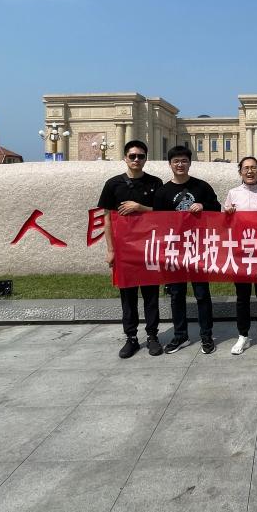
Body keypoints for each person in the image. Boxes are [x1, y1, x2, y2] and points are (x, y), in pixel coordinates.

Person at [97, 139, 164, 359]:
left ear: (146, 159)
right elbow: (107, 219)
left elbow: (163, 214)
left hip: (149, 247)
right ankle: (131, 337)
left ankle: (152, 336)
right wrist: (111, 250)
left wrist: (140, 207)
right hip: (124, 250)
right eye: (132, 156)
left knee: (151, 294)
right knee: (127, 295)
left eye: (141, 156)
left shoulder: (155, 183)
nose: (136, 159)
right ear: (125, 158)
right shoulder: (113, 184)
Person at [153, 145, 220, 355]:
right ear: (170, 164)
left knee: (202, 294)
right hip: (174, 249)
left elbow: (217, 208)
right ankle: (180, 335)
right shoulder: (163, 192)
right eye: (176, 161)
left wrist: (203, 206)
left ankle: (206, 335)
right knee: (176, 294)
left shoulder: (202, 187)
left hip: (198, 247)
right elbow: (157, 222)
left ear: (190, 163)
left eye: (184, 161)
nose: (180, 164)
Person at [223, 156, 257, 355]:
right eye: (246, 168)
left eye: (253, 168)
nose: (250, 171)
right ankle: (243, 335)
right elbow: (224, 223)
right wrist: (227, 213)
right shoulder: (233, 193)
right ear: (240, 172)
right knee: (242, 296)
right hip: (241, 252)